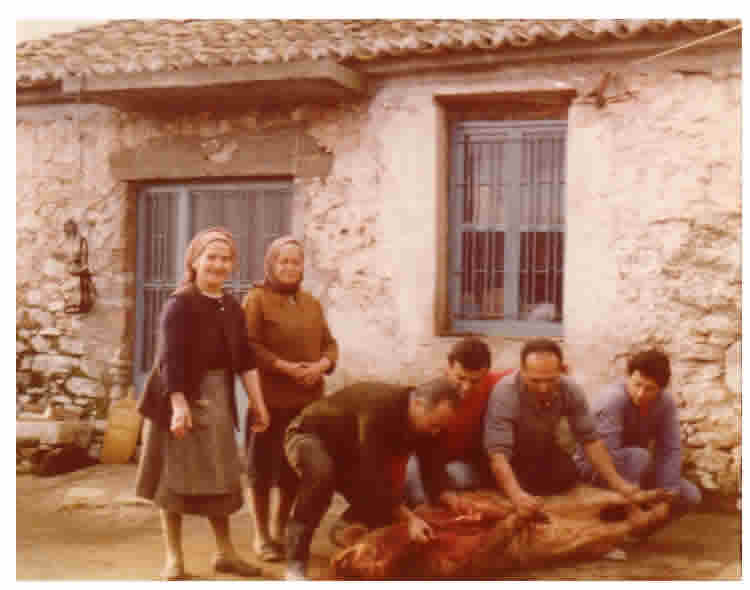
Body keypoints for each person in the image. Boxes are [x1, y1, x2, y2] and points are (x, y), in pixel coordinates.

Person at [135, 227, 270, 581]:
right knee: (173, 479)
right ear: (194, 261)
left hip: (217, 397)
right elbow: (170, 360)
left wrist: (258, 404)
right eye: (211, 257)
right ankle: (174, 559)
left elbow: (245, 359)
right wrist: (179, 406)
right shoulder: (179, 304)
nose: (218, 265)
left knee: (220, 476)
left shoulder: (232, 307)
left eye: (226, 259)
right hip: (173, 394)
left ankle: (225, 553)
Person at [282, 378, 464, 580]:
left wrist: (447, 495)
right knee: (322, 474)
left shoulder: (428, 419)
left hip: (349, 454)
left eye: (440, 428)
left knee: (387, 504)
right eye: (433, 425)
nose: (435, 432)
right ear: (418, 404)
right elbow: (372, 472)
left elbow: (432, 464)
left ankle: (345, 526)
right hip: (308, 436)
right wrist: (410, 518)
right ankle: (295, 563)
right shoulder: (381, 408)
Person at [242, 236, 338, 562]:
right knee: (260, 471)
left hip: (307, 404)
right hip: (268, 400)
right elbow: (249, 345)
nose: (289, 267)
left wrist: (321, 366)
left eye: (296, 262)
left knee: (293, 471)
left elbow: (330, 344)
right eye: (283, 261)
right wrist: (284, 367)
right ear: (271, 264)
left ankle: (279, 529)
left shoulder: (311, 303)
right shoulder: (256, 300)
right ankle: (261, 536)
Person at [483, 338, 640, 519]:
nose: (543, 388)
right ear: (522, 371)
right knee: (511, 482)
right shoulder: (505, 392)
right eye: (535, 381)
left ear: (561, 370)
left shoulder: (570, 389)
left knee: (567, 473)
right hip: (510, 457)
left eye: (551, 380)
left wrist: (619, 484)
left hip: (540, 451)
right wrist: (517, 496)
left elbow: (590, 440)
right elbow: (498, 454)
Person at [574, 349, 701, 529]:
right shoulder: (612, 399)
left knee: (689, 495)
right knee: (639, 456)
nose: (641, 393)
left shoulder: (665, 403)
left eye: (650, 389)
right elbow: (604, 456)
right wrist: (633, 507)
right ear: (629, 377)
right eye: (637, 384)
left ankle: (636, 533)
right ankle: (616, 524)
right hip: (595, 469)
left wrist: (666, 498)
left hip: (635, 468)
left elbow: (670, 450)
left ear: (661, 388)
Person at [404, 337, 513, 512]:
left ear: (487, 373)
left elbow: (525, 375)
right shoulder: (432, 396)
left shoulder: (497, 384)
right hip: (428, 461)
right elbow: (422, 453)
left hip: (463, 465)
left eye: (475, 381)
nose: (466, 387)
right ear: (448, 368)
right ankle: (423, 505)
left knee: (466, 476)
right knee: (411, 469)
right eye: (460, 378)